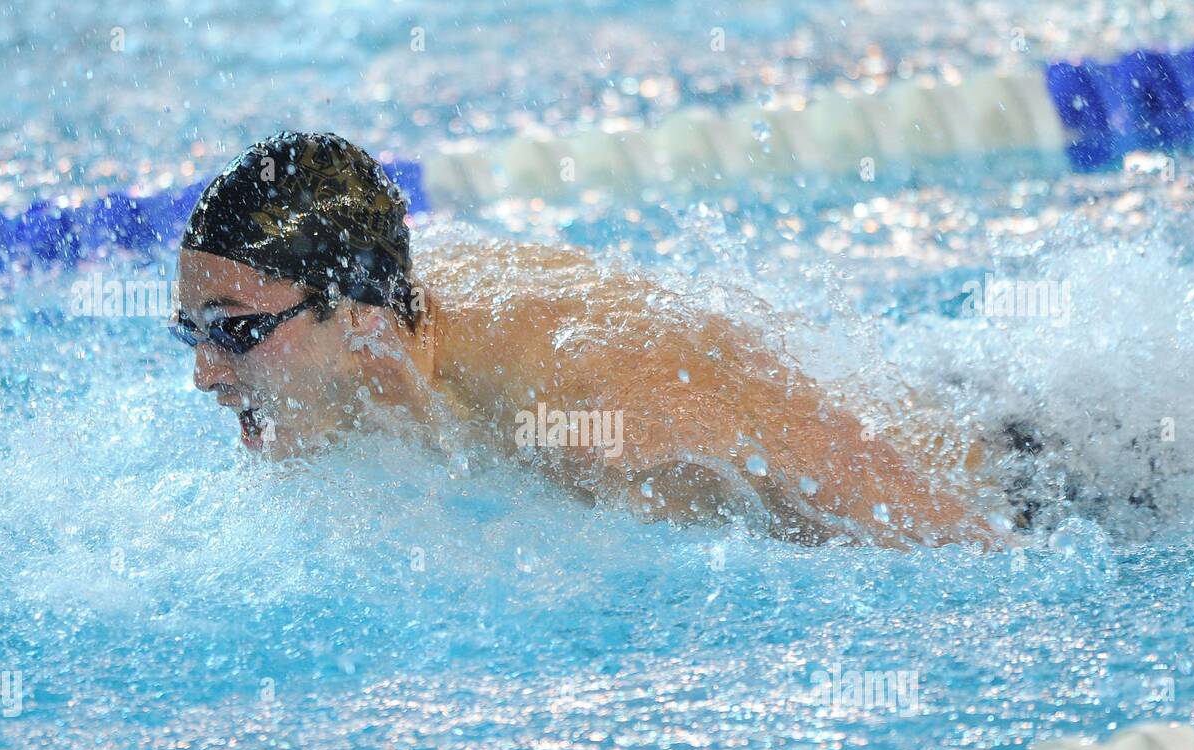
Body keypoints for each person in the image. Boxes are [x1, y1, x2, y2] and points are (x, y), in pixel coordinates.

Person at [172, 131, 1005, 548]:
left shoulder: (605, 428)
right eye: (193, 335)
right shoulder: (396, 325)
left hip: (1032, 482)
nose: (206, 376)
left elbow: (964, 549)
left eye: (237, 332)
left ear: (360, 319)